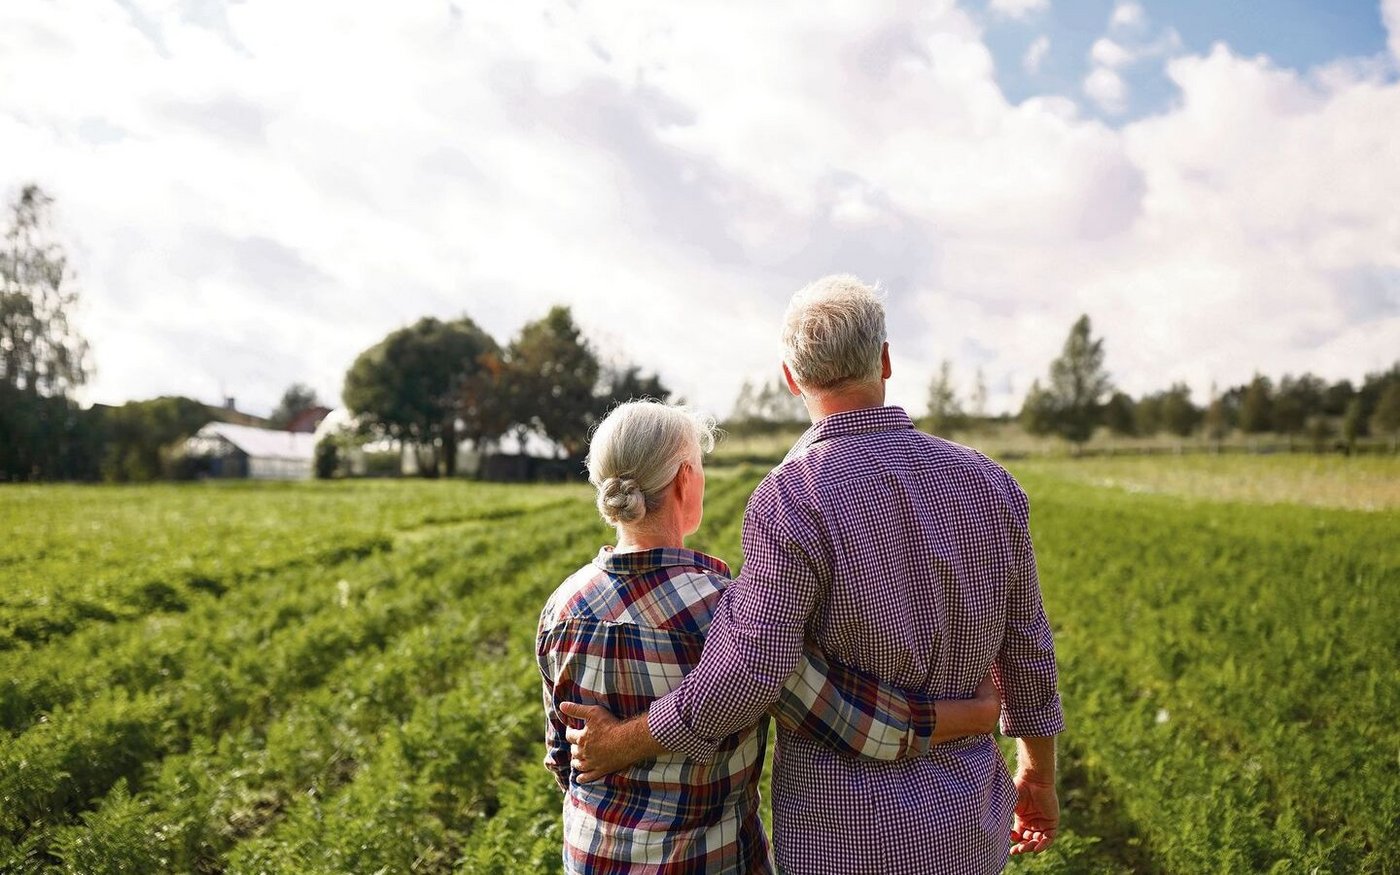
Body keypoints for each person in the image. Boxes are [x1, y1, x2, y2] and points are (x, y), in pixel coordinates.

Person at [564, 277, 1065, 873]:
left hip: (843, 834)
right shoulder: (989, 483)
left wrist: (623, 742)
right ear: (884, 359)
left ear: (790, 378)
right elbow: (1028, 649)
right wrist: (1036, 772)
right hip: (970, 822)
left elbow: (752, 671)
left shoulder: (792, 497)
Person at [539, 399, 1003, 874]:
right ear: (684, 480)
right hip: (706, 862)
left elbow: (562, 757)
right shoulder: (729, 611)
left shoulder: (563, 607)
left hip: (590, 859)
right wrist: (969, 715)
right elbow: (847, 718)